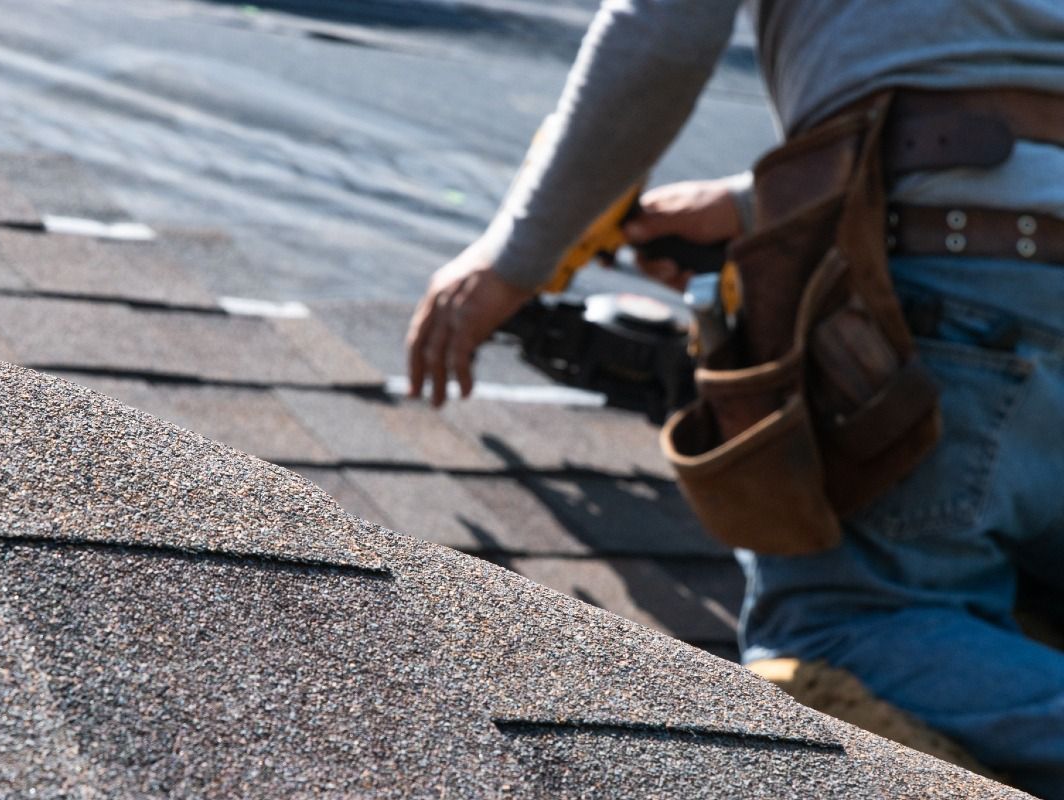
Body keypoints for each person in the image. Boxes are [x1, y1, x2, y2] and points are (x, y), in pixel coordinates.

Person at [405, 1, 1064, 796]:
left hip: (963, 283)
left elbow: (661, 31)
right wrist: (761, 208)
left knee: (843, 631)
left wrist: (511, 260)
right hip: (995, 250)